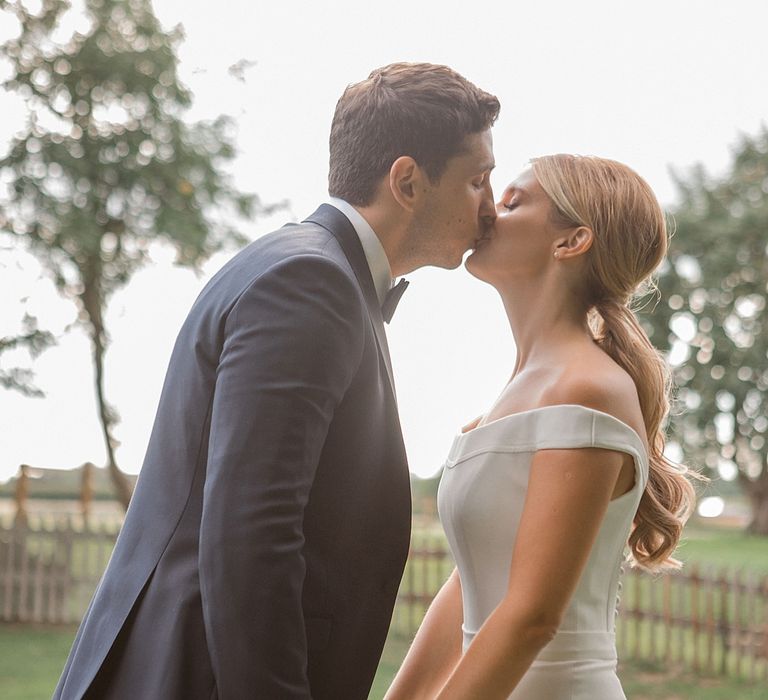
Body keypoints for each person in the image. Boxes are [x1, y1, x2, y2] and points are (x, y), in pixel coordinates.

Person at [53, 63, 499, 700]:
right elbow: (251, 533)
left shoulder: (308, 269)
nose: (490, 204)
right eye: (477, 180)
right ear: (407, 181)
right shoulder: (308, 284)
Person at [385, 154, 697, 699]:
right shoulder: (498, 408)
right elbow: (468, 587)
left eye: (512, 202)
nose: (486, 209)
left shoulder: (587, 390)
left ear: (570, 242)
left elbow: (532, 617)